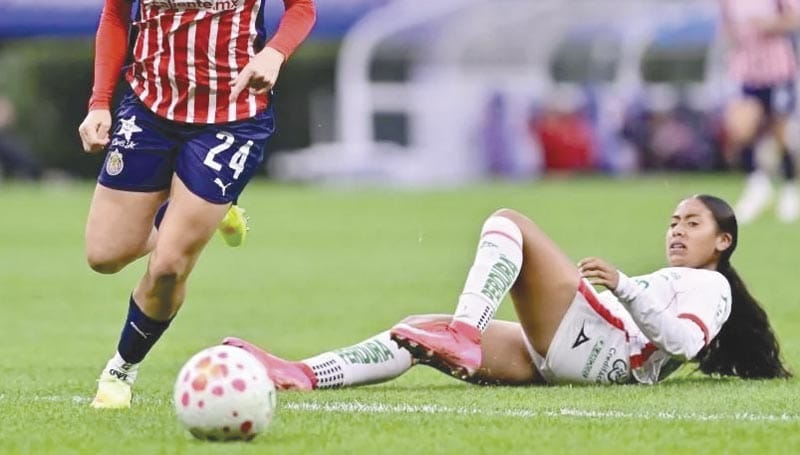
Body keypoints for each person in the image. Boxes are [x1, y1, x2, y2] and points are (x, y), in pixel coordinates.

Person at [77, 0, 316, 409]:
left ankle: (120, 372)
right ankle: (197, 211)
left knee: (168, 265)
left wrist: (274, 54)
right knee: (104, 256)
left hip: (230, 118)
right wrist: (100, 102)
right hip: (150, 108)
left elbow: (301, 5)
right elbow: (114, 16)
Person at [224, 195, 790, 390]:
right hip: (575, 359)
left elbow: (685, 343)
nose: (676, 230)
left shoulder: (713, 286)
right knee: (414, 331)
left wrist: (622, 285)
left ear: (723, 241)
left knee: (508, 222)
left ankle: (464, 333)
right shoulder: (684, 280)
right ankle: (301, 374)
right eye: (673, 221)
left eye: (692, 223)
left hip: (600, 347)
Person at [718, 0, 800, 224]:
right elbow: (726, 20)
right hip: (745, 67)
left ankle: (789, 188)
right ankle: (757, 184)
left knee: (780, 130)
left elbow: (795, 16)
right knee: (741, 127)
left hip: (777, 67)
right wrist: (732, 39)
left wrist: (770, 24)